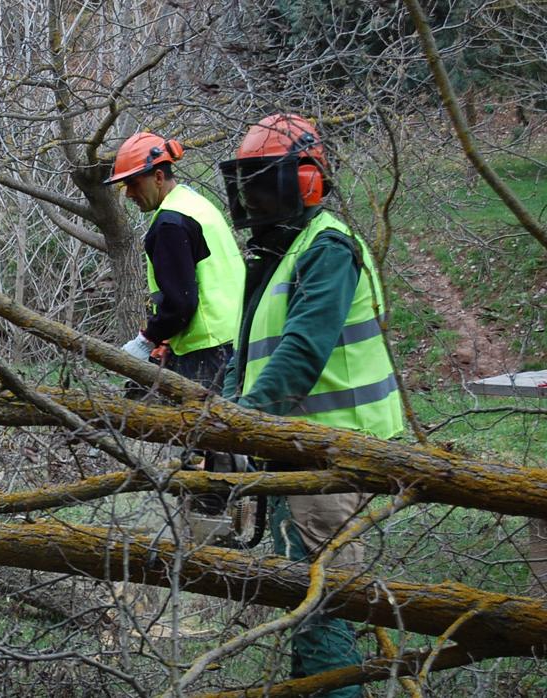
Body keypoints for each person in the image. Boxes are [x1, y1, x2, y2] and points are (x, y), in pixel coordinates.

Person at [219, 114, 405, 695]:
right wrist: (221, 421)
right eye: (246, 182)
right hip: (297, 456)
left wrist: (244, 424)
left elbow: (302, 350)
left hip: (337, 457)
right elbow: (246, 352)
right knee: (304, 602)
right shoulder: (279, 254)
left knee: (321, 609)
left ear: (305, 181)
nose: (252, 195)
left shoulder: (328, 249)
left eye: (263, 181)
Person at [104, 132, 244, 389]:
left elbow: (180, 303)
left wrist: (146, 341)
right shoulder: (197, 205)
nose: (128, 194)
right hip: (236, 338)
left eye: (133, 184)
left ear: (158, 176)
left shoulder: (170, 222)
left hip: (206, 352)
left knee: (201, 427)